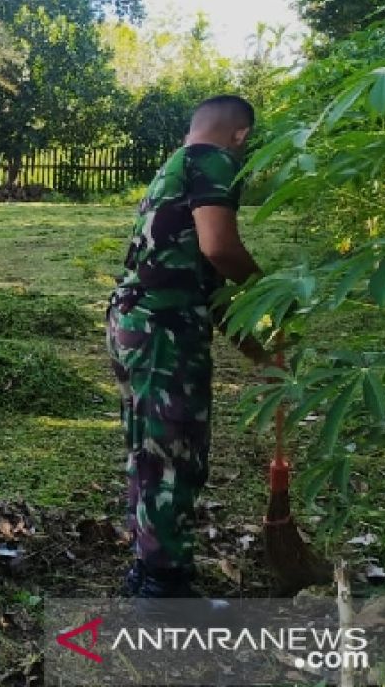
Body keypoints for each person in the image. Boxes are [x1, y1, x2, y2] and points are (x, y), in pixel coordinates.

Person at [107, 95, 277, 602]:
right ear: (240, 135)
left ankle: (149, 568)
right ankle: (164, 590)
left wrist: (261, 355)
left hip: (137, 324)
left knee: (150, 450)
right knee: (172, 455)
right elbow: (219, 249)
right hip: (162, 333)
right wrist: (275, 294)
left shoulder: (175, 167)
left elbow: (207, 285)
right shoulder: (212, 160)